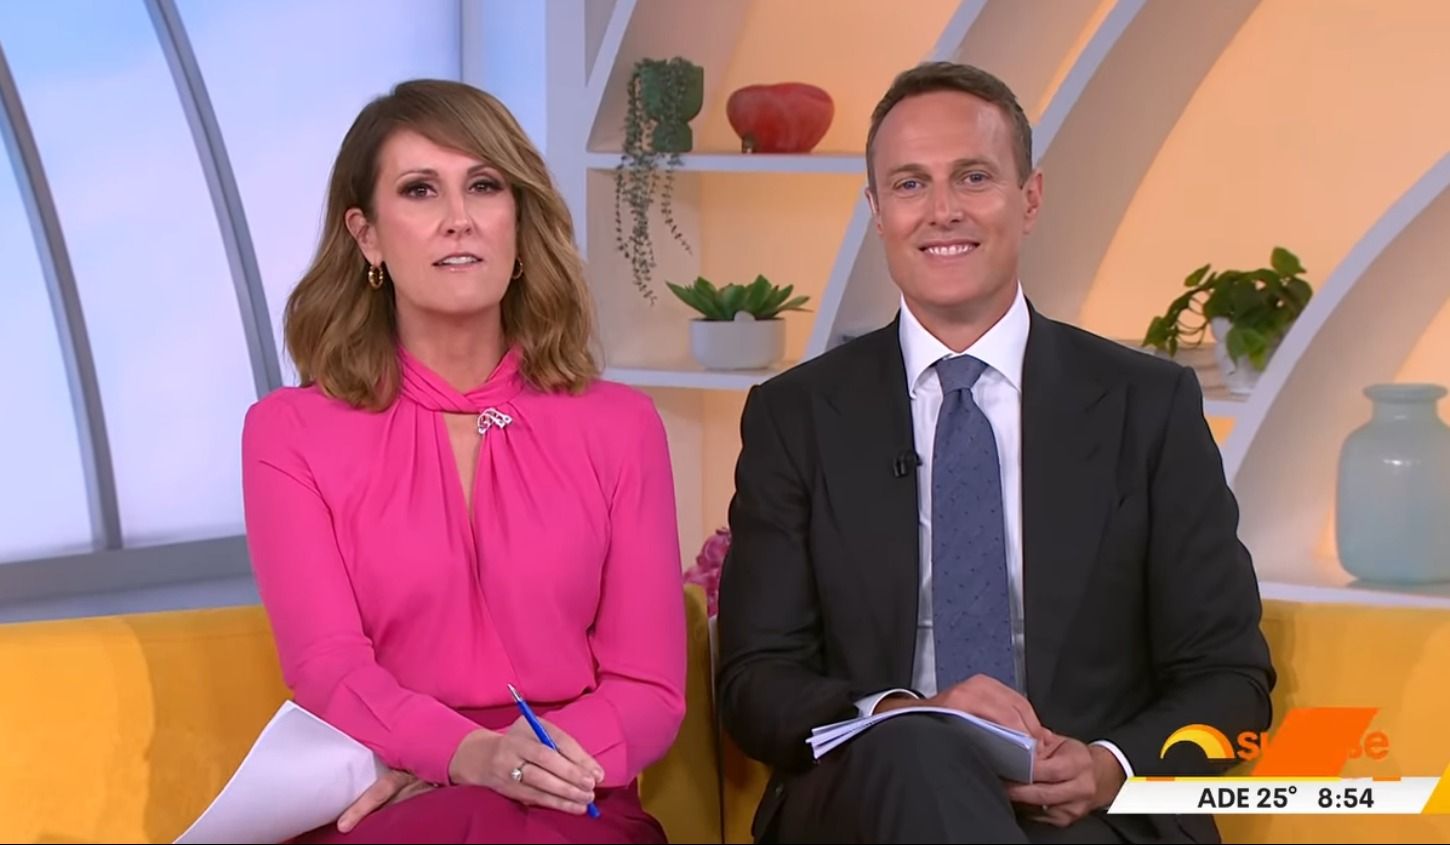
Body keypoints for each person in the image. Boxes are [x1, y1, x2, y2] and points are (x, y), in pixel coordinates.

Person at [714, 61, 1276, 844]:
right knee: (917, 752)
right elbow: (754, 681)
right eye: (909, 184)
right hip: (869, 801)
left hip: (1086, 811)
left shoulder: (1148, 406)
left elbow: (1230, 677)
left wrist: (1109, 764)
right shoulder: (796, 416)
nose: (942, 209)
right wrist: (910, 713)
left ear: (1030, 198)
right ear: (876, 211)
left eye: (973, 177)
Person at [240, 79, 686, 844]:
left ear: (518, 220)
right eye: (420, 190)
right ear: (367, 235)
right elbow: (328, 667)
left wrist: (522, 762)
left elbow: (649, 686)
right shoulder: (288, 434)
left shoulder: (622, 426)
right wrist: (463, 754)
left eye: (484, 185)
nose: (459, 218)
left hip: (572, 787)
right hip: (388, 784)